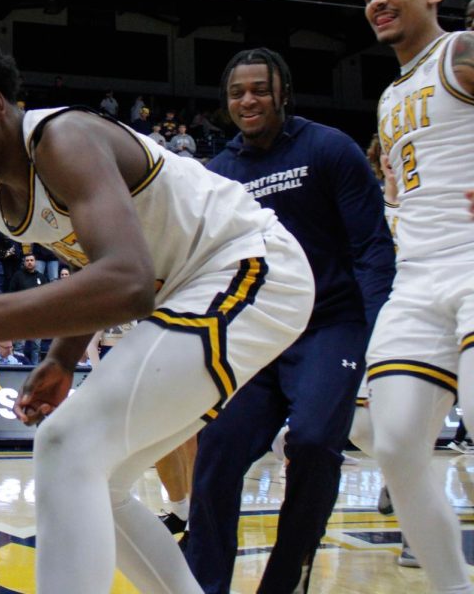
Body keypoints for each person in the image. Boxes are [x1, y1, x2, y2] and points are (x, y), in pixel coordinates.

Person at [0, 32, 314, 594]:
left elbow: (127, 281)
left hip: (250, 265)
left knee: (67, 444)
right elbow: (92, 265)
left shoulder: (62, 138)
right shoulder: (1, 205)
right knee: (104, 477)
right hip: (195, 288)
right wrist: (63, 354)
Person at [183, 48, 395, 593]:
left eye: (259, 89)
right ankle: (204, 586)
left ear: (284, 94)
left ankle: (285, 577)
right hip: (260, 333)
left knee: (314, 440)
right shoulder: (220, 172)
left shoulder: (329, 148)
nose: (247, 100)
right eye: (237, 93)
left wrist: (374, 337)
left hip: (332, 324)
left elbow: (372, 248)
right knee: (217, 452)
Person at [358, 0, 474, 594]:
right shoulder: (390, 95)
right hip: (417, 280)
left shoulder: (460, 51)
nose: (377, 1)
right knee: (395, 444)